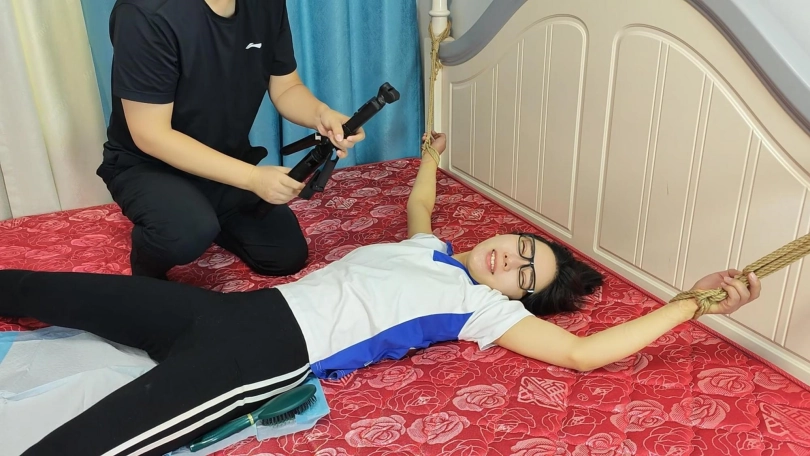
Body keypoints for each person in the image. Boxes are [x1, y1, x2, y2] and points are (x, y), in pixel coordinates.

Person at [3, 132, 761, 455]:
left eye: (526, 276)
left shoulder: (481, 310)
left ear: (518, 299)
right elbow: (420, 208)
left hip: (262, 358)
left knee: (100, 437)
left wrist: (691, 302)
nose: (513, 261)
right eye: (524, 247)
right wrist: (430, 156)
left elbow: (585, 355)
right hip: (235, 310)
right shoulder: (427, 248)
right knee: (65, 291)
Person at [95, 0, 365, 280]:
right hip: (147, 166)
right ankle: (149, 264)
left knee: (285, 255)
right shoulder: (144, 13)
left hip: (224, 161)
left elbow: (286, 86)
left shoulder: (267, 6)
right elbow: (150, 134)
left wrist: (321, 115)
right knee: (184, 232)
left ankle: (205, 214)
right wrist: (252, 178)